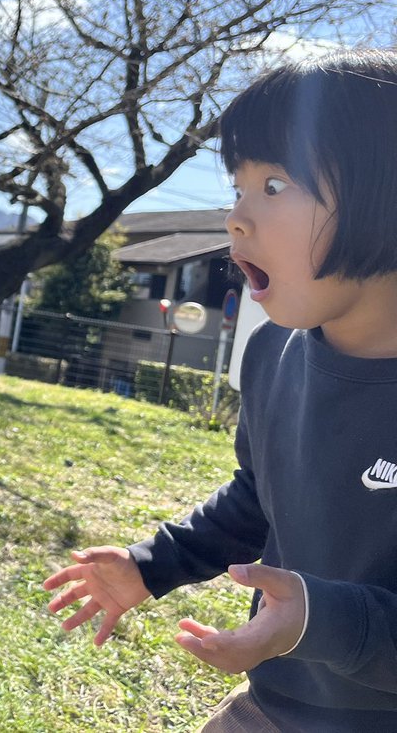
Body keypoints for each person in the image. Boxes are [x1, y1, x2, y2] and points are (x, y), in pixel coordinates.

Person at [43, 49, 397, 731]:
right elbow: (257, 496)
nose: (236, 217)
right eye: (238, 186)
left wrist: (318, 619)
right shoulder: (272, 354)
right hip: (274, 703)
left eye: (273, 186)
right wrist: (153, 565)